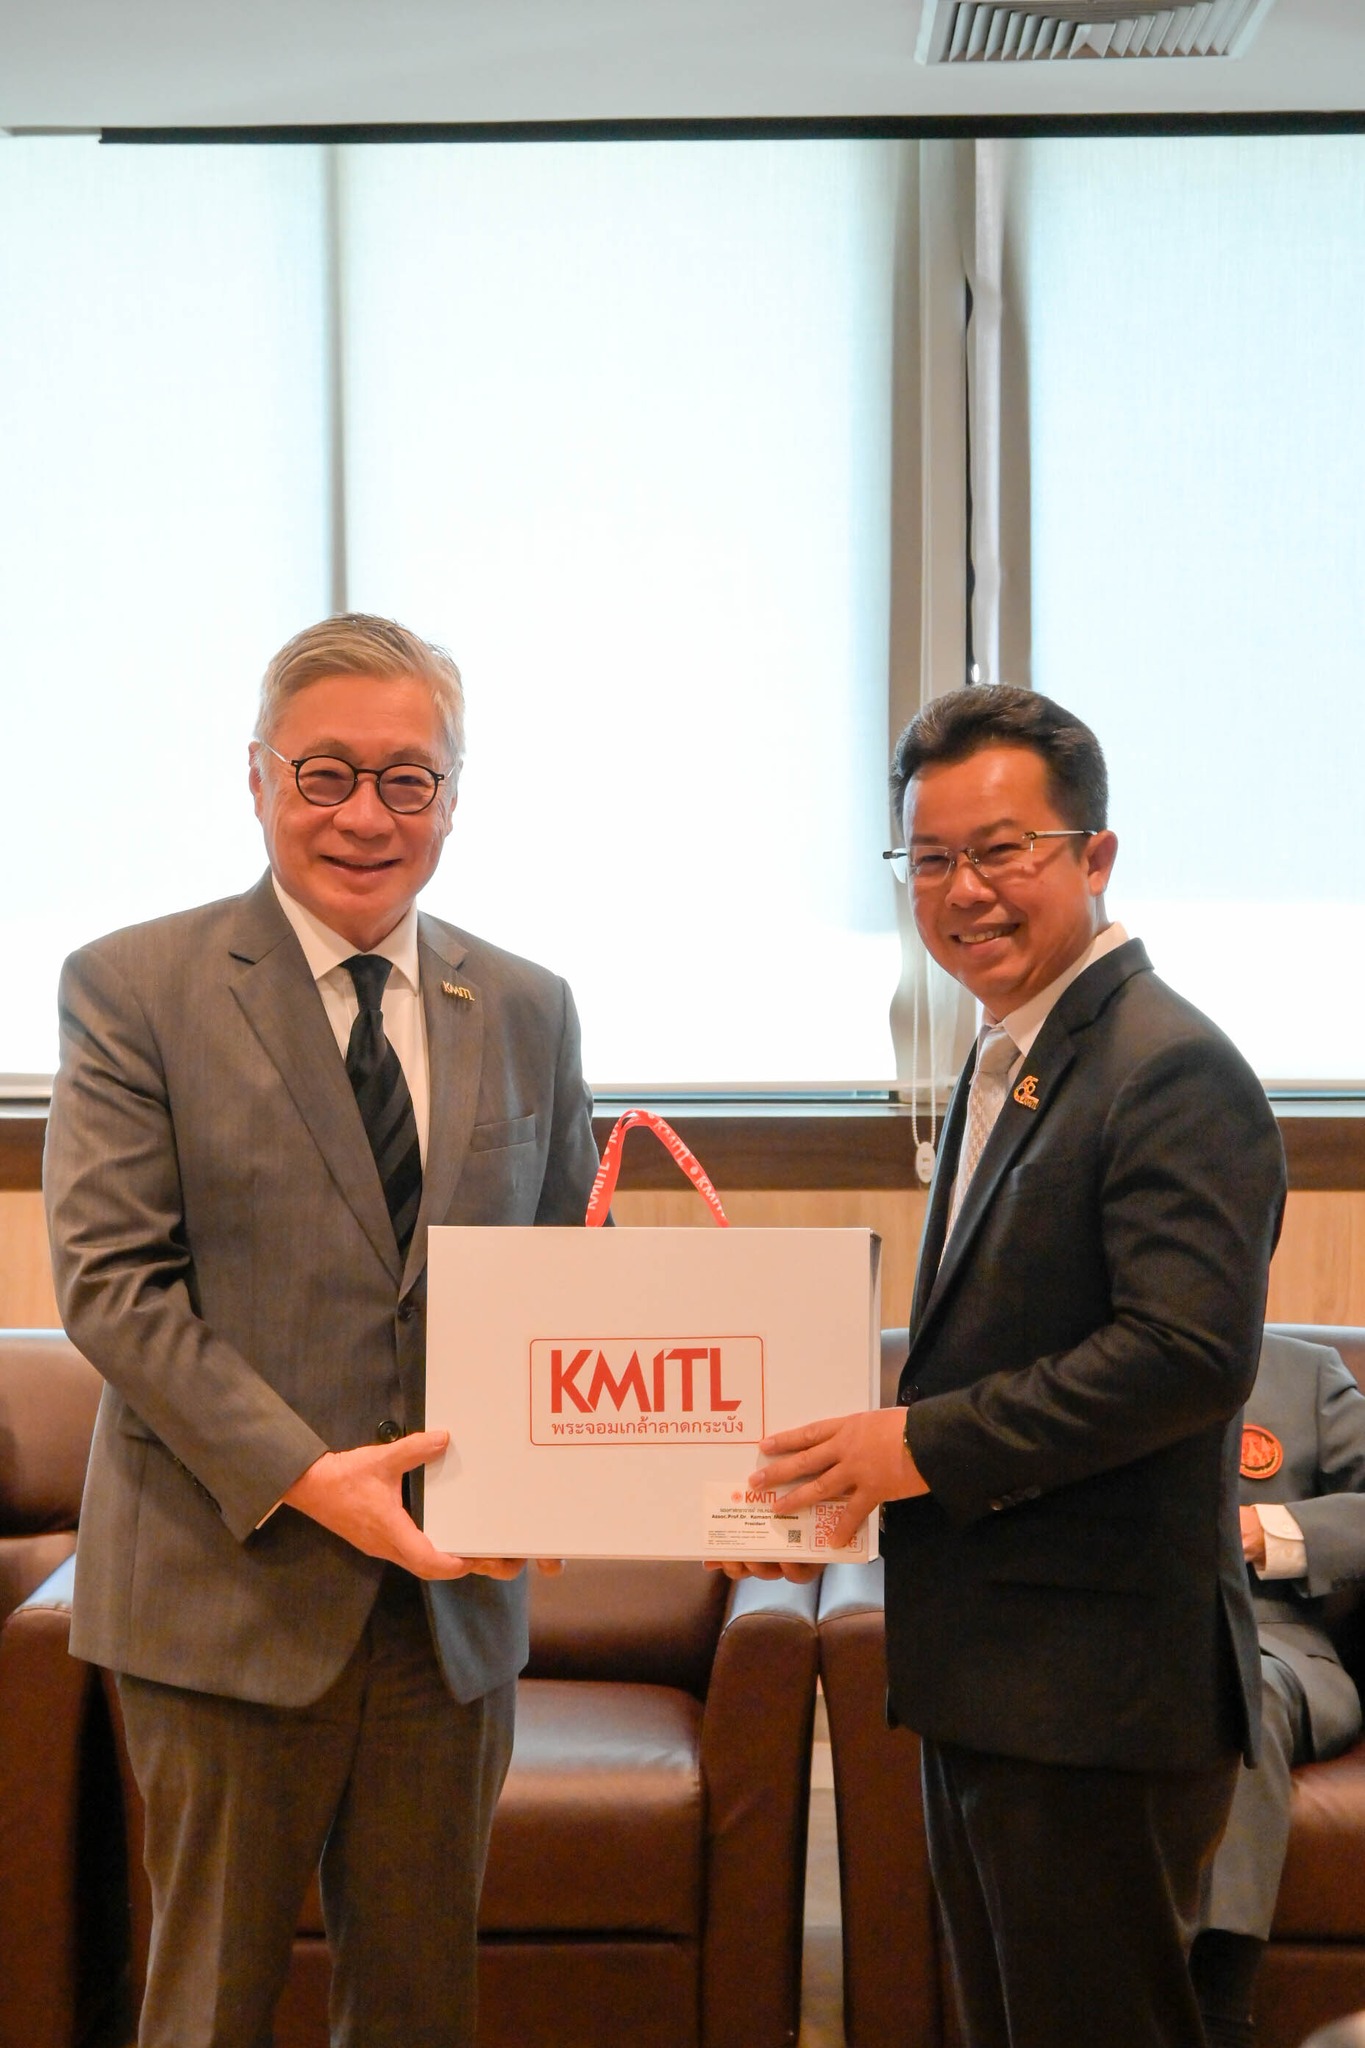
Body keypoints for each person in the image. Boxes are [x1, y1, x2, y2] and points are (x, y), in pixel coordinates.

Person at [43, 614, 601, 2048]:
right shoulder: (135, 987)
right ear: (257, 778)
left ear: (453, 796)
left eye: (408, 778)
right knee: (207, 2009)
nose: (367, 814)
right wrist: (308, 1475)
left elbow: (559, 1282)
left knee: (418, 2010)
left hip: (447, 1618)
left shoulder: (528, 1007)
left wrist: (575, 1469)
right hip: (226, 1595)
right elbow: (112, 1281)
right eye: (326, 772)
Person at [737, 685, 1287, 2048]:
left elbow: (1184, 1354)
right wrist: (832, 1483)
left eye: (1002, 851)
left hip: (1098, 1698)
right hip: (1001, 1676)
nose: (963, 891)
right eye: (930, 859)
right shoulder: (1017, 1055)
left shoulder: (1167, 1067)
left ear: (1095, 856)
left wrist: (911, 1447)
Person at [1192, 1329, 1365, 2048]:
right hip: (1100, 1640)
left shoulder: (1303, 1374)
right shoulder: (1061, 1374)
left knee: (1238, 1689)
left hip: (1270, 1642)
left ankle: (1217, 2008)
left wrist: (1270, 1530)